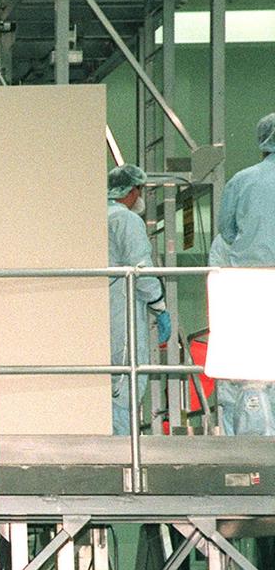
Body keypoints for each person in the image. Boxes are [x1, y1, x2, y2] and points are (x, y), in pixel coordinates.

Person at [207, 113, 275, 435]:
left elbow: (227, 231)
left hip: (251, 285)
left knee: (253, 378)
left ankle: (255, 453)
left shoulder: (242, 180)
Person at [107, 164, 171, 435]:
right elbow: (141, 269)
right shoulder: (126, 220)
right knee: (126, 383)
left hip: (105, 310)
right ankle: (124, 455)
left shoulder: (97, 217)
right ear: (132, 191)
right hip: (122, 310)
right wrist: (159, 305)